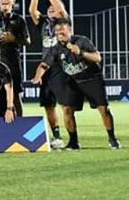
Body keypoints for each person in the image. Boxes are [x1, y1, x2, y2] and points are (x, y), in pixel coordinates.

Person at [32, 18, 122, 150]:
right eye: (57, 32)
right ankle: (73, 142)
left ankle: (112, 138)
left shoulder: (81, 41)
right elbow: (44, 64)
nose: (59, 35)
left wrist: (81, 52)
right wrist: (38, 76)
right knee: (67, 109)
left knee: (103, 109)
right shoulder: (56, 48)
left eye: (62, 31)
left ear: (70, 30)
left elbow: (97, 57)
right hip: (74, 81)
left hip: (92, 79)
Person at [29, 0, 68, 149]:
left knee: (67, 104)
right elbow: (32, 11)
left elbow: (59, 7)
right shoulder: (44, 23)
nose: (52, 10)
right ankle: (58, 137)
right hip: (47, 69)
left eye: (54, 9)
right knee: (48, 104)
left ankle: (73, 137)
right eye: (49, 9)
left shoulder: (64, 22)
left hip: (64, 67)